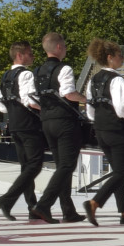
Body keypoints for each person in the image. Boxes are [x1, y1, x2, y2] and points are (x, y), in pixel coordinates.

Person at [83, 38, 124, 226]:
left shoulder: (93, 80)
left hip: (100, 128)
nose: (122, 58)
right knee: (122, 172)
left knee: (118, 171)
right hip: (117, 129)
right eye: (119, 55)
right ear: (110, 57)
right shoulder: (116, 79)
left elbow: (90, 109)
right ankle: (95, 202)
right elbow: (123, 108)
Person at [31, 32, 87, 224]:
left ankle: (68, 210)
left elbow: (34, 98)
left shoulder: (37, 72)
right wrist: (86, 100)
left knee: (62, 165)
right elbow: (68, 93)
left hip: (46, 121)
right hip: (64, 121)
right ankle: (44, 205)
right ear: (58, 48)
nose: (65, 48)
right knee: (66, 166)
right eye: (64, 45)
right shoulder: (64, 69)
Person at [0, 41, 44, 221]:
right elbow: (30, 99)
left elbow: (2, 106)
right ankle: (7, 200)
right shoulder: (26, 75)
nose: (33, 56)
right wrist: (45, 107)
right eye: (30, 53)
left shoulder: (5, 76)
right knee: (35, 164)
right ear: (19, 55)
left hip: (14, 125)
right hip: (28, 124)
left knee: (26, 167)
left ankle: (32, 206)